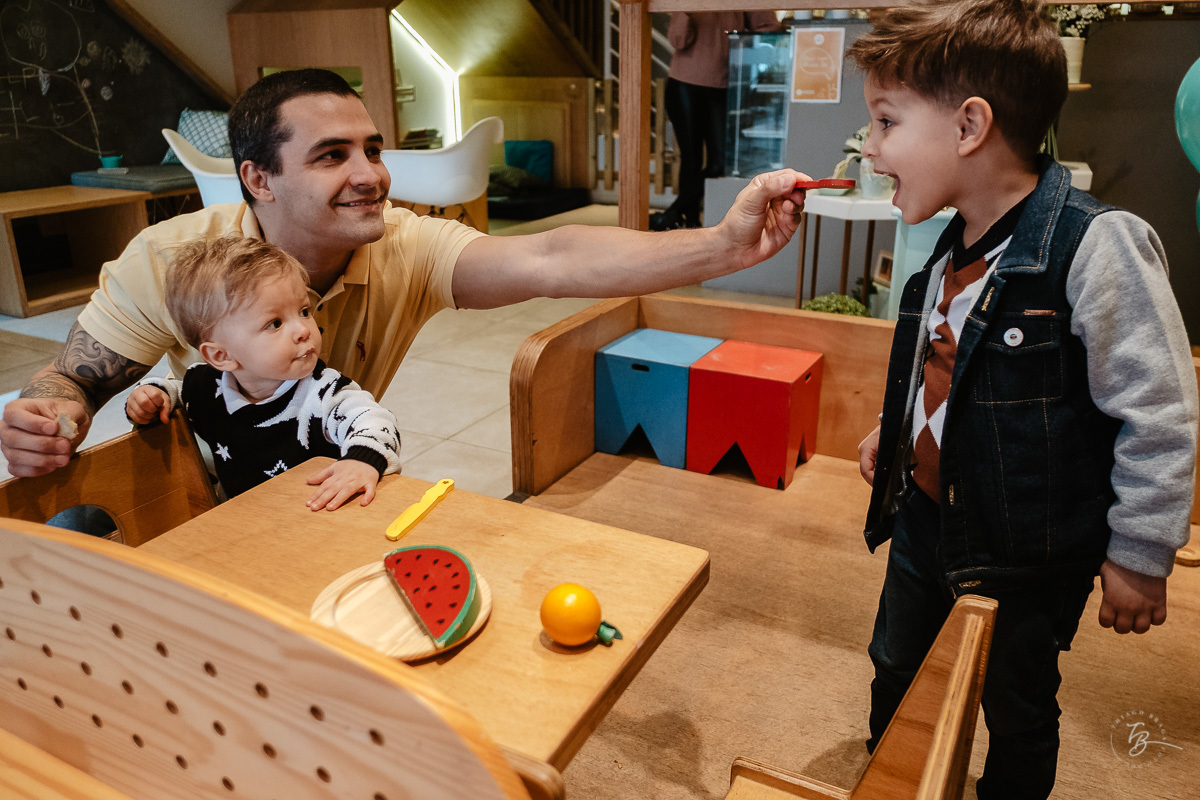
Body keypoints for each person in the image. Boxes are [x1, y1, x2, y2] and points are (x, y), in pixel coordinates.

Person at [0, 68, 811, 477]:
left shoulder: (405, 245)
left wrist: (725, 248)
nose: (372, 175)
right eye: (331, 156)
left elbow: (550, 256)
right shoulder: (173, 260)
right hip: (204, 502)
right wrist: (47, 417)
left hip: (332, 488)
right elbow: (72, 378)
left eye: (373, 149)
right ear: (258, 179)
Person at [849, 2, 1197, 798]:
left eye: (885, 123)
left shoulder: (1095, 244)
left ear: (970, 125)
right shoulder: (950, 239)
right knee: (897, 664)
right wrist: (895, 430)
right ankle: (895, 778)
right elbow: (946, 361)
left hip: (1028, 551)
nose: (871, 152)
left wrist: (1141, 554)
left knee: (1016, 701)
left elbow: (1159, 409)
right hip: (927, 519)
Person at [125, 236, 401, 510]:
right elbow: (175, 391)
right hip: (244, 525)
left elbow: (374, 420)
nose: (304, 329)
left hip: (319, 523)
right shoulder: (204, 387)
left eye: (304, 311)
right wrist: (153, 395)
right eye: (275, 323)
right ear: (221, 356)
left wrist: (362, 461)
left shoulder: (323, 392)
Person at [650, 11, 781, 231]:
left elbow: (767, 26)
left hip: (723, 86)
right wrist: (684, 9)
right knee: (690, 160)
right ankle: (689, 221)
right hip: (684, 84)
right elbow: (678, 41)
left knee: (719, 162)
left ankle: (672, 213)